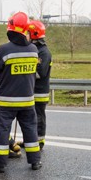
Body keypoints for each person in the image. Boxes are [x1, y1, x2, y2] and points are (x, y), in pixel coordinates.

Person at [0, 12, 42, 172]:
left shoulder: (4, 50)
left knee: (2, 131)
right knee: (30, 130)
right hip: (27, 100)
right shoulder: (34, 50)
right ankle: (35, 162)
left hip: (6, 101)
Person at [29, 20, 52, 149]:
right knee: (32, 117)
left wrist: (25, 75)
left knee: (38, 116)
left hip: (39, 91)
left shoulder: (43, 52)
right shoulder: (36, 50)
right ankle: (33, 140)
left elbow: (40, 73)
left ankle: (39, 141)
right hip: (33, 90)